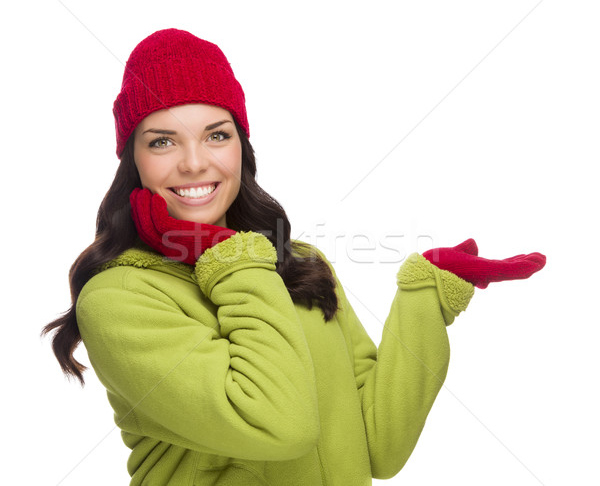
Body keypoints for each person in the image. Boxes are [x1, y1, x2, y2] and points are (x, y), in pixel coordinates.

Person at [42, 28, 546, 485]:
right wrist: (227, 256)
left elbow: (377, 447)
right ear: (133, 158)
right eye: (163, 141)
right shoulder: (119, 298)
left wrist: (426, 296)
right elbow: (278, 425)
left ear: (242, 146)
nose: (194, 162)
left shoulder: (296, 264)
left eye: (217, 134)